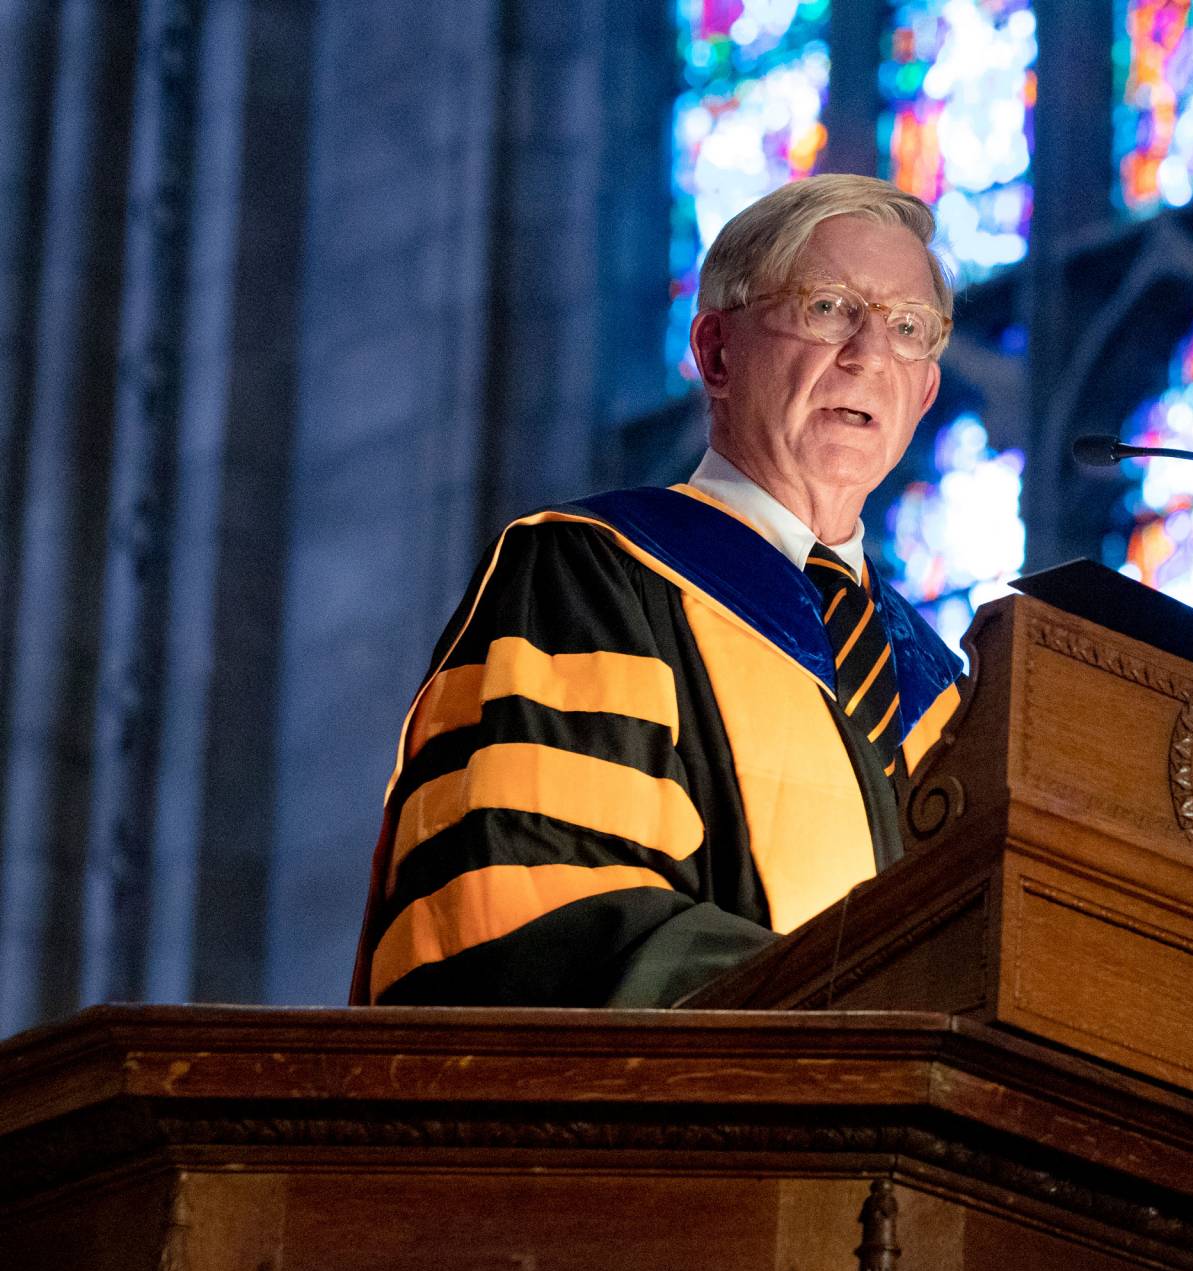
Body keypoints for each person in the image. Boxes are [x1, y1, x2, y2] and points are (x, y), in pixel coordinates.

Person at [349, 176, 966, 1008]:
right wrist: (844, 1023)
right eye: (827, 308)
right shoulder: (590, 578)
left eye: (907, 330)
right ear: (715, 353)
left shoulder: (951, 698)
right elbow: (534, 906)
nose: (867, 356)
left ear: (924, 393)